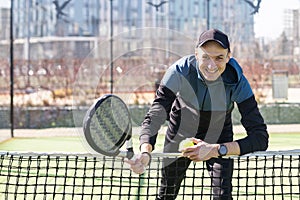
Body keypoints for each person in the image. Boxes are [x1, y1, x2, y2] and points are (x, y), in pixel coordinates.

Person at [125, 29, 269, 199]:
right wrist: (145, 151)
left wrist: (217, 149)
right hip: (180, 131)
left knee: (223, 196)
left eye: (219, 58)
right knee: (166, 194)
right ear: (196, 54)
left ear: (228, 57)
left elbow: (260, 138)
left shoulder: (238, 82)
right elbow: (156, 114)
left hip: (219, 133)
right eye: (206, 56)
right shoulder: (178, 72)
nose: (211, 65)